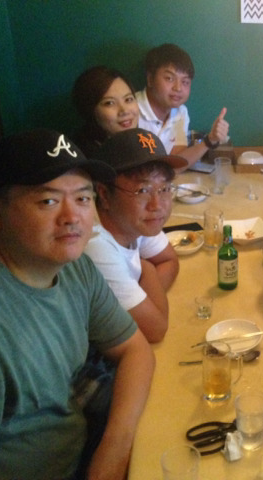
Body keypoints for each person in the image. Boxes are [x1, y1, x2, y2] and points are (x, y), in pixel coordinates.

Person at [0, 128, 154, 479]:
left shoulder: (75, 268)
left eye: (82, 198)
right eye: (48, 201)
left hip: (85, 443)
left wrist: (114, 450)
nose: (72, 217)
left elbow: (135, 350)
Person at [85, 128, 187, 343]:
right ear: (104, 194)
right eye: (142, 190)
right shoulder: (95, 244)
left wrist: (144, 299)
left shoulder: (136, 221)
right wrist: (147, 269)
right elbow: (156, 329)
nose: (157, 205)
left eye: (164, 188)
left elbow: (169, 260)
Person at [136, 43, 229, 169]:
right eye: (169, 78)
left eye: (185, 82)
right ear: (150, 79)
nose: (178, 88)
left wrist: (211, 139)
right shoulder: (130, 110)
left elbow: (176, 164)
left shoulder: (181, 113)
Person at [71, 65, 140, 157]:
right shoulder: (80, 156)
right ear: (89, 110)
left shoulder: (144, 142)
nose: (124, 111)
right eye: (109, 103)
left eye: (128, 99)